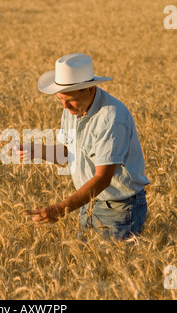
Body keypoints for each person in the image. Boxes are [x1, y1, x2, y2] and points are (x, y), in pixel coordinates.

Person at [15, 53, 150, 241]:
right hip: (88, 202)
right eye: (60, 99)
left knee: (111, 268)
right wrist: (37, 150)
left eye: (69, 99)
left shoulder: (111, 119)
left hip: (118, 209)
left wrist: (60, 209)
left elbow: (102, 179)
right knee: (90, 264)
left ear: (89, 90)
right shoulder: (73, 108)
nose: (64, 106)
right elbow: (65, 152)